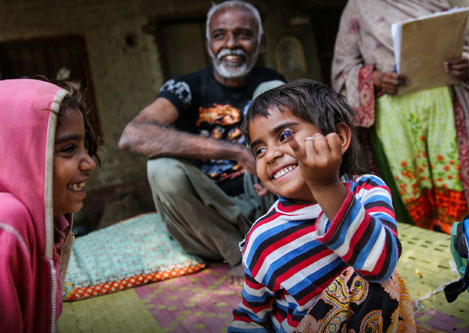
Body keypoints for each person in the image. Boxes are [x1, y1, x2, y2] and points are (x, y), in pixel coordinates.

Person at [119, 0, 285, 281]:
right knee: (161, 169)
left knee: (275, 93)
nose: (230, 44)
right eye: (220, 35)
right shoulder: (185, 87)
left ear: (261, 42)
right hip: (204, 220)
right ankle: (240, 252)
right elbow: (131, 136)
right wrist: (236, 152)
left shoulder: (270, 81)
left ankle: (276, 233)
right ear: (209, 44)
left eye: (243, 34)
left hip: (264, 202)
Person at [229, 79, 409, 332]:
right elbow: (251, 316)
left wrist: (325, 187)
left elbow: (380, 266)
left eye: (284, 136)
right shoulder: (263, 238)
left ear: (339, 138)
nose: (271, 155)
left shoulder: (368, 191)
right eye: (259, 150)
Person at [331, 0, 469, 233]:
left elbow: (462, 49)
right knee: (408, 199)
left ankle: (468, 251)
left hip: (445, 113)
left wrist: (464, 64)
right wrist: (374, 78)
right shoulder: (359, 6)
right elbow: (341, 72)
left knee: (458, 196)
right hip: (394, 125)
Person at [0, 79, 99, 331]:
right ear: (19, 152)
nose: (89, 163)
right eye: (69, 149)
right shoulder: (8, 221)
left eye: (85, 148)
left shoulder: (50, 223)